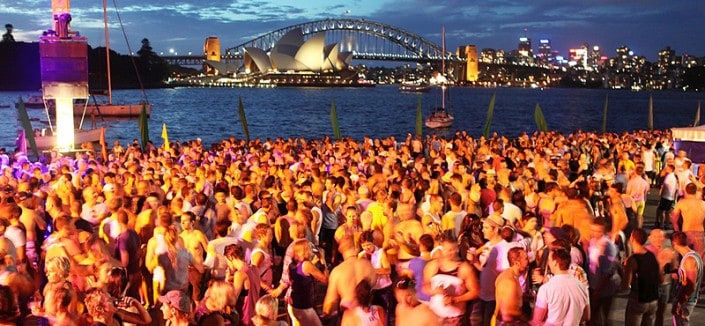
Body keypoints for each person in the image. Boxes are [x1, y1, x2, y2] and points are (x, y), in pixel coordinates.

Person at [423, 237, 479, 325]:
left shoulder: (464, 268)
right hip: (434, 316)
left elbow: (475, 292)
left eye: (451, 250)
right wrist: (435, 291)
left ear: (456, 249)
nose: (448, 253)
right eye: (445, 250)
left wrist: (456, 299)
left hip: (454, 318)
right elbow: (424, 286)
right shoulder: (432, 265)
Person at [531, 248, 590, 325]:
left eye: (549, 260)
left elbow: (537, 320)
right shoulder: (582, 287)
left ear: (555, 263)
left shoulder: (546, 289)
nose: (548, 263)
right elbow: (586, 316)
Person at [323, 236, 376, 316]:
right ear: (357, 247)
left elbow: (329, 304)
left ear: (340, 250)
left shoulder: (337, 271)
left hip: (349, 316)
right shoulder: (369, 266)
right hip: (369, 316)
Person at [622, 228, 661, 326]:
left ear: (632, 239)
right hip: (653, 299)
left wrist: (622, 269)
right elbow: (661, 278)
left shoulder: (633, 260)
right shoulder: (652, 256)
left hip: (638, 299)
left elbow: (626, 285)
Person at [586, 217, 619, 326]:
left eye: (598, 231)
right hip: (593, 284)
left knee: (603, 316)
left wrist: (598, 291)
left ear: (604, 231)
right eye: (593, 230)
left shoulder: (607, 246)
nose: (595, 233)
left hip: (604, 288)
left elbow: (608, 273)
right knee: (593, 316)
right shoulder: (592, 241)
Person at [288, 239, 327, 326]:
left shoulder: (292, 265)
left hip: (293, 305)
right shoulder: (307, 265)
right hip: (304, 307)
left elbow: (302, 270)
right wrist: (323, 260)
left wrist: (313, 262)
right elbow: (325, 279)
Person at [644, 228, 678, 326]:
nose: (658, 239)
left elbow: (674, 269)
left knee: (661, 313)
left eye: (661, 236)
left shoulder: (670, 252)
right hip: (650, 285)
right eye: (655, 236)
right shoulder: (645, 251)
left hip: (665, 285)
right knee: (648, 313)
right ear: (650, 238)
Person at [671, 231, 703, 326]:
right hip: (687, 299)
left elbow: (690, 285)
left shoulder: (689, 260)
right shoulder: (695, 255)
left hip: (686, 301)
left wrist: (679, 303)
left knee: (681, 323)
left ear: (674, 243)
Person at [493, 247, 530, 325]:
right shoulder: (510, 282)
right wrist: (528, 319)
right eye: (526, 259)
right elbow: (508, 312)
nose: (528, 261)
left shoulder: (508, 275)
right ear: (517, 263)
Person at [83, 287, 152, 326]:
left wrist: (136, 303)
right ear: (100, 308)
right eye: (109, 300)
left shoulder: (116, 315)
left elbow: (146, 320)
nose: (114, 300)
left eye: (111, 297)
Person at [670, 183, 705, 257]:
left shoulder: (682, 203)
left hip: (686, 232)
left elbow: (674, 218)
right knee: (699, 257)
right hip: (700, 233)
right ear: (696, 191)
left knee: (685, 255)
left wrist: (677, 230)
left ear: (686, 190)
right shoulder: (703, 204)